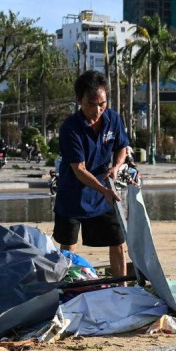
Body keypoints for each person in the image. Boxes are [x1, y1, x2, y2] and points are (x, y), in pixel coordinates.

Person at [54, 70, 132, 279]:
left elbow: (122, 147)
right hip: (73, 195)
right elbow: (79, 169)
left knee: (117, 241)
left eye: (102, 104)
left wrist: (116, 166)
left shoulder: (113, 119)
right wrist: (104, 189)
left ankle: (122, 287)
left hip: (103, 195)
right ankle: (68, 287)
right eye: (91, 104)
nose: (97, 110)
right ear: (79, 100)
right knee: (68, 248)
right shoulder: (70, 128)